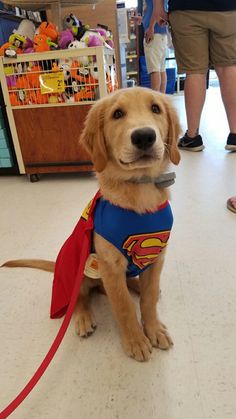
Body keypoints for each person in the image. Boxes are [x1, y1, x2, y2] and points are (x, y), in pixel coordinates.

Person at [152, 0, 236, 151]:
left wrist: (158, 7)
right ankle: (235, 134)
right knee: (228, 67)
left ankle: (192, 137)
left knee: (195, 70)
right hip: (228, 8)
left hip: (186, 9)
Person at [141, 0, 169, 92]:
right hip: (162, 33)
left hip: (154, 33)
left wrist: (151, 27)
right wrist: (142, 19)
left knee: (154, 71)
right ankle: (161, 99)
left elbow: (156, 9)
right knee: (161, 69)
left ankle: (155, 100)